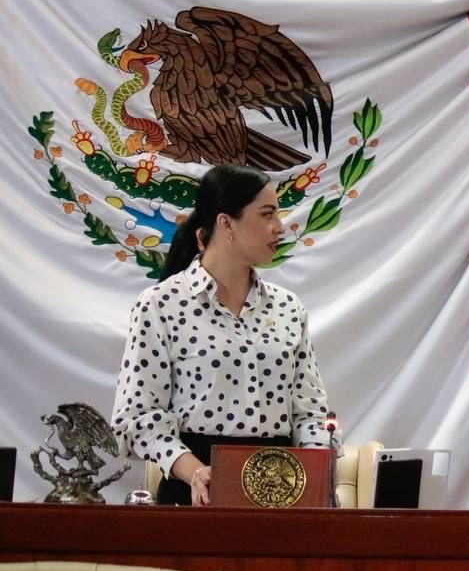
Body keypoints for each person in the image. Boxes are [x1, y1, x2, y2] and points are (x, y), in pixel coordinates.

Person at [111, 164, 337, 505]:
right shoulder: (160, 305)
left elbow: (311, 413)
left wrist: (317, 478)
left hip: (280, 491)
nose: (280, 227)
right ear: (226, 223)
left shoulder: (288, 307)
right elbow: (137, 417)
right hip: (196, 493)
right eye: (267, 215)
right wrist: (194, 471)